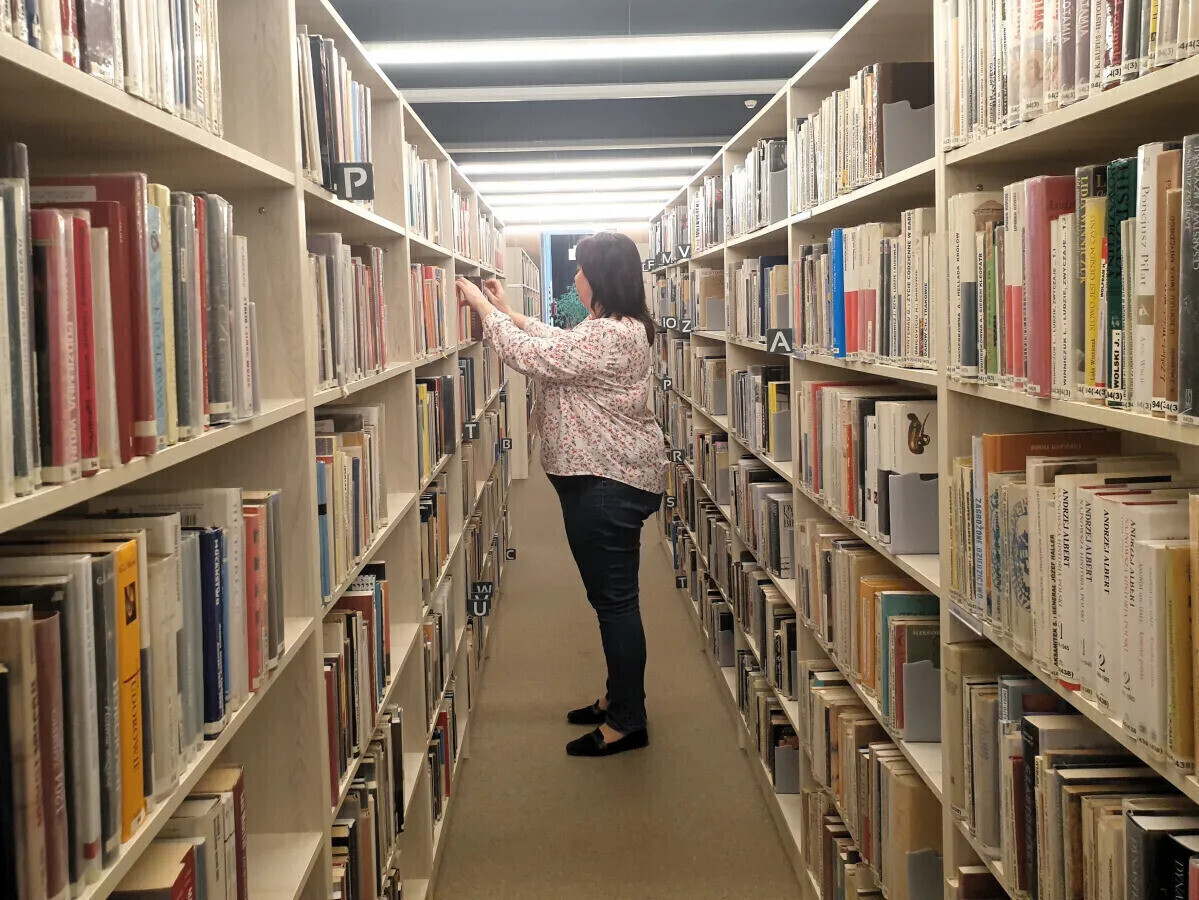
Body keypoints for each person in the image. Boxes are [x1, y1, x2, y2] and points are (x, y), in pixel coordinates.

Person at [455, 231, 667, 758]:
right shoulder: (612, 327)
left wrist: (484, 308)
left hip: (607, 482)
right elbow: (556, 341)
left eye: (580, 269)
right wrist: (510, 310)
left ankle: (626, 721)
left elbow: (528, 355)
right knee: (612, 601)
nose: (574, 277)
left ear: (598, 278)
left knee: (615, 604)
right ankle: (620, 698)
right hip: (608, 479)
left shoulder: (612, 335)